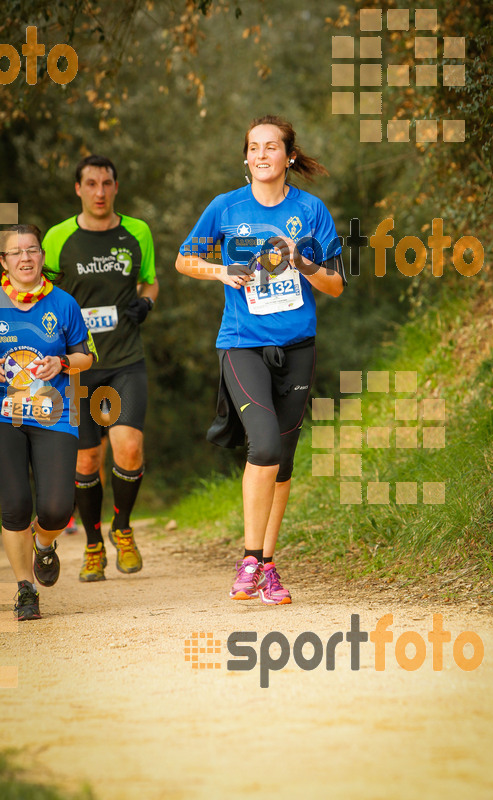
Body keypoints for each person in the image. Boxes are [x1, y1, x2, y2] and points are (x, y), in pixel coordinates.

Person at [176, 115, 345, 604]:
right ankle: (250, 559)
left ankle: (268, 566)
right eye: (255, 148)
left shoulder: (310, 211)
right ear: (246, 157)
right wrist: (221, 271)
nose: (263, 155)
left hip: (298, 349)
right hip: (242, 343)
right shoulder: (225, 208)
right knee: (265, 445)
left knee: (284, 462)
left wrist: (302, 260)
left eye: (273, 147)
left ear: (289, 157)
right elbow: (184, 260)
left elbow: (335, 284)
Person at [43, 155, 159, 582]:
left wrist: (146, 301)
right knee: (88, 460)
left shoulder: (137, 232)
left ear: (116, 186)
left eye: (107, 183)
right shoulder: (58, 238)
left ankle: (123, 528)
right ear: (78, 189)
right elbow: (40, 291)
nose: (99, 192)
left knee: (128, 447)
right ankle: (93, 545)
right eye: (90, 184)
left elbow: (149, 279)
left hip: (124, 361)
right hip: (77, 368)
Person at [0, 224, 94, 620]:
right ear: (3, 261)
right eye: (15, 252)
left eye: (32, 250)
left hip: (55, 413)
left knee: (57, 509)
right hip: (4, 415)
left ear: (42, 257)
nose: (25, 258)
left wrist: (64, 362)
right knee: (14, 505)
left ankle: (44, 543)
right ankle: (25, 589)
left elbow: (87, 356)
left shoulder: (64, 303)